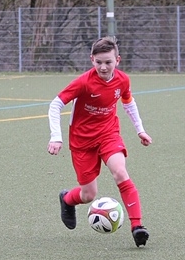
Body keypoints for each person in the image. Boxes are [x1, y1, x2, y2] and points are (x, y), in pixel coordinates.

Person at [47, 37, 153, 247]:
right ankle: (67, 199)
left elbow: (128, 102)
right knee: (88, 194)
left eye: (108, 62)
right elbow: (55, 105)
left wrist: (140, 130)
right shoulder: (84, 82)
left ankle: (137, 227)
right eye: (99, 62)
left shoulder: (122, 80)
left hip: (108, 134)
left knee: (120, 172)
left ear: (117, 60)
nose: (103, 67)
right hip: (82, 141)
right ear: (92, 60)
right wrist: (56, 137)